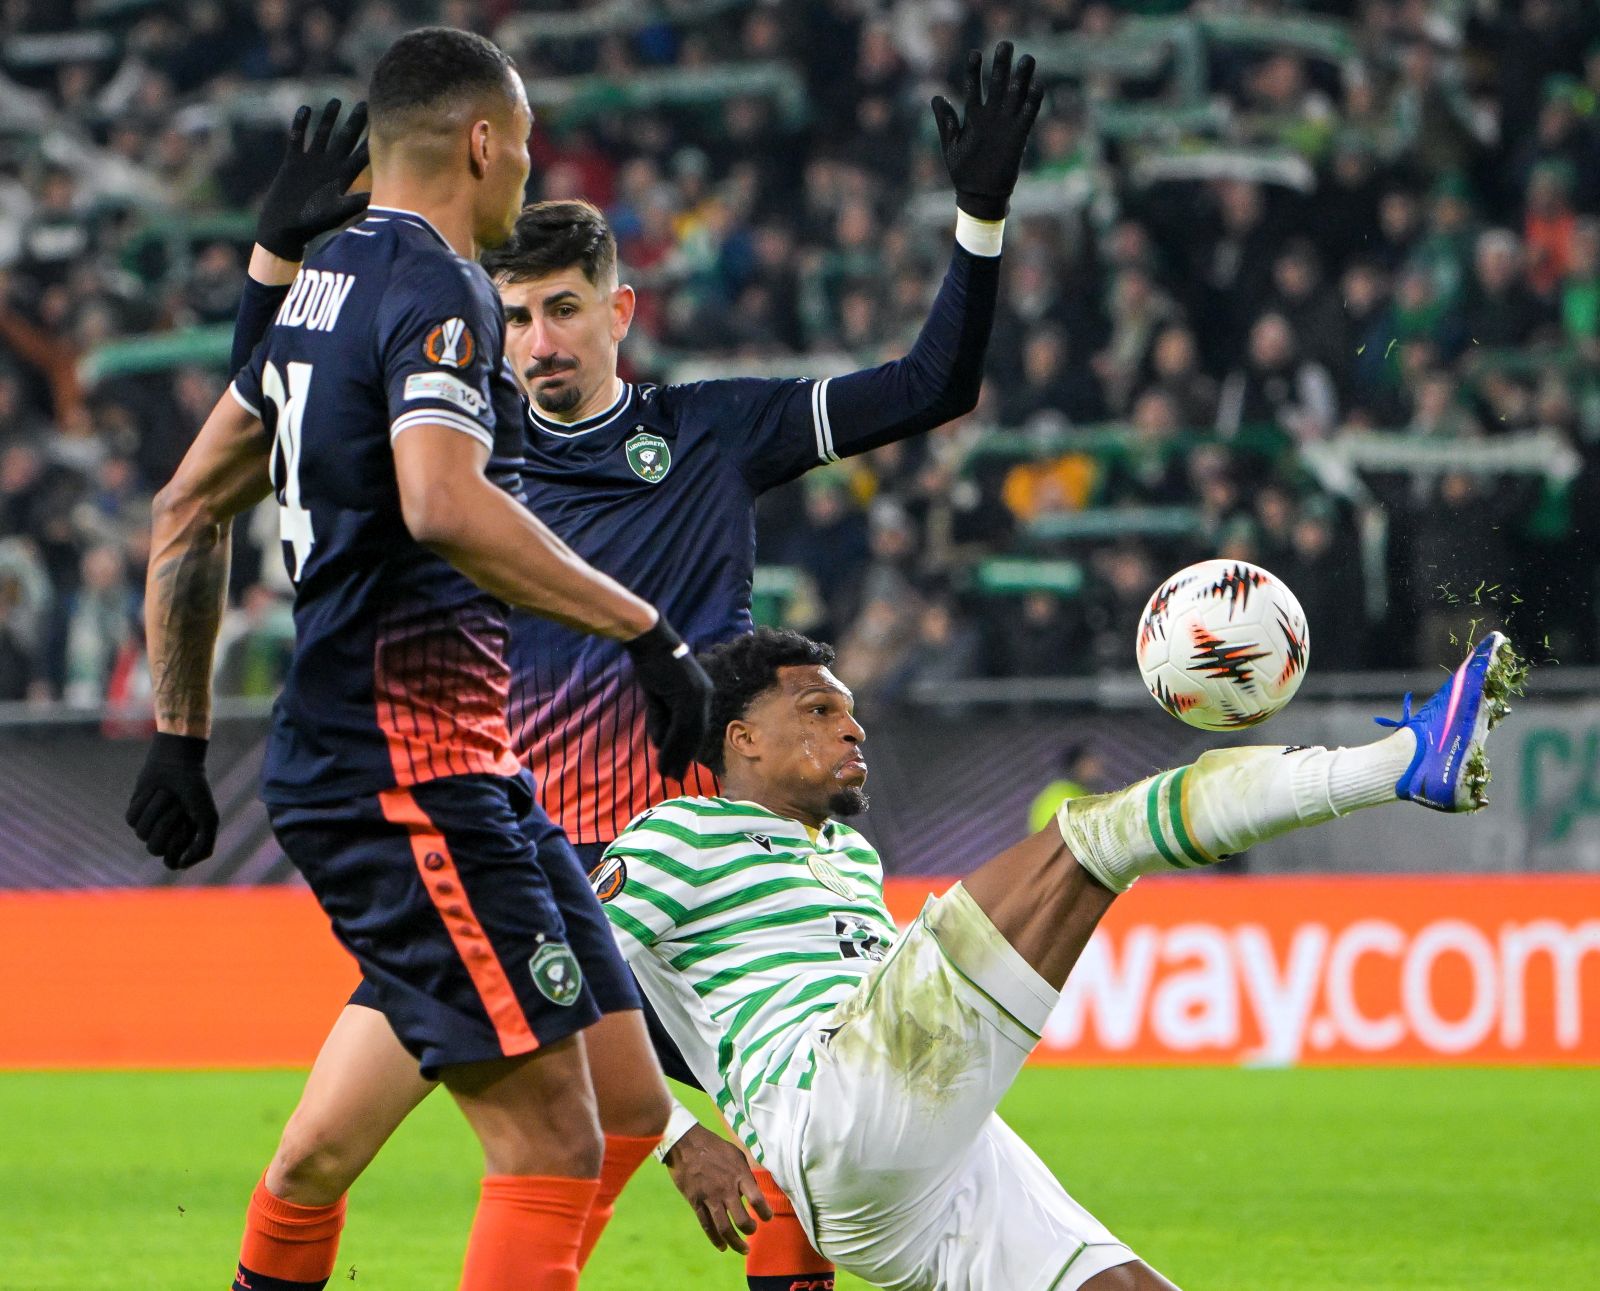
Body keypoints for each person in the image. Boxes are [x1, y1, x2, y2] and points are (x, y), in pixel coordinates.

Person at [218, 41, 1043, 1290]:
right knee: (312, 1156)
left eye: (563, 309)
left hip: (704, 889)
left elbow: (932, 385)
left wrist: (977, 221)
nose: (538, 340)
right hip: (512, 872)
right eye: (514, 316)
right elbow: (266, 424)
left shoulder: (710, 433)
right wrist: (272, 270)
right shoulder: (451, 454)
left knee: (789, 1171)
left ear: (620, 311)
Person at [124, 29, 713, 1291]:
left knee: (614, 1102)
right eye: (527, 148)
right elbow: (442, 503)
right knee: (551, 1142)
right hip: (405, 770)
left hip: (456, 771)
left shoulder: (318, 283)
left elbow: (186, 505)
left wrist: (182, 737)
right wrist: (645, 630)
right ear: (483, 142)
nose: (529, 173)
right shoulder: (441, 287)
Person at [599, 626, 1523, 1290]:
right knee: (1092, 839)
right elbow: (564, 985)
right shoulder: (680, 835)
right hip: (833, 1111)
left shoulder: (845, 855)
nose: (854, 729)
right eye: (818, 709)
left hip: (916, 1175)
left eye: (851, 710)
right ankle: (1401, 763)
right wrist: (677, 1139)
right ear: (742, 740)